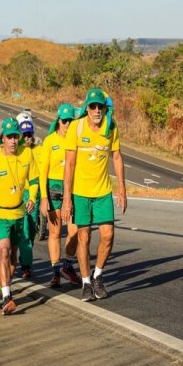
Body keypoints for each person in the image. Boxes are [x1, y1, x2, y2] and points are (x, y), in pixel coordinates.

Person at [61, 89, 127, 301]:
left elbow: (116, 157)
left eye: (100, 107)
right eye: (93, 106)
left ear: (105, 108)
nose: (97, 110)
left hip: (103, 191)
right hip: (80, 193)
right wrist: (66, 199)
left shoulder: (111, 127)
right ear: (86, 109)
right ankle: (86, 282)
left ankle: (98, 275)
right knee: (84, 236)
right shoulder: (76, 128)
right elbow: (69, 165)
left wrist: (122, 189)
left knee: (108, 235)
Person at [0, 118, 38, 315]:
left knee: (13, 258)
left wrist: (32, 196)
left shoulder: (27, 154)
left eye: (16, 137)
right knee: (3, 251)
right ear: (2, 139)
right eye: (10, 137)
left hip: (19, 213)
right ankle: (7, 296)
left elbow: (35, 179)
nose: (14, 141)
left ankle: (2, 284)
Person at [40, 104, 81, 288]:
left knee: (74, 230)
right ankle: (55, 271)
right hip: (53, 187)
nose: (67, 123)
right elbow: (43, 171)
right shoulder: (49, 141)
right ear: (58, 120)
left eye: (70, 120)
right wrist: (43, 197)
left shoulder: (77, 140)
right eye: (64, 120)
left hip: (71, 187)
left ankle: (68, 265)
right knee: (55, 232)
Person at [18, 119, 42, 279]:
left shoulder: (40, 149)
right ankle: (26, 265)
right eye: (24, 135)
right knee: (25, 230)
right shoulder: (17, 151)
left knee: (33, 229)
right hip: (21, 194)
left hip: (36, 193)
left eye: (29, 135)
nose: (27, 139)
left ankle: (25, 255)